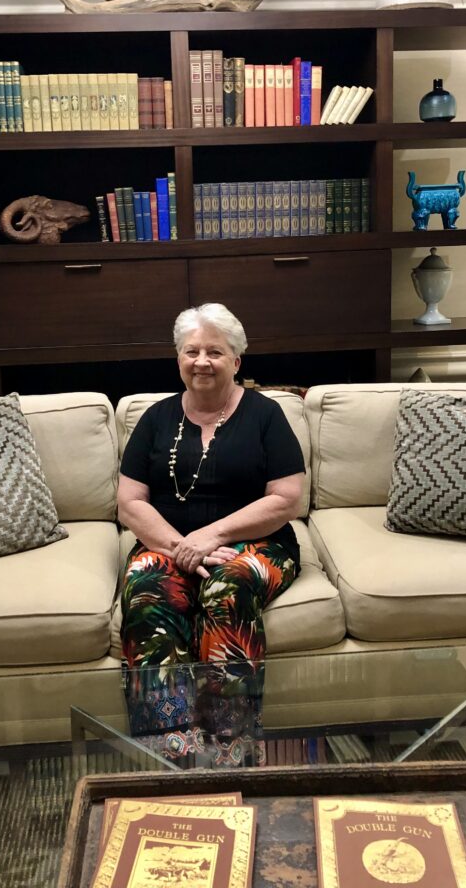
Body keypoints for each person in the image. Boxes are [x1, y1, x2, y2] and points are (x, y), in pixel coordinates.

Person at [118, 302, 305, 766]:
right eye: (191, 351)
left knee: (228, 586)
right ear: (179, 359)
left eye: (215, 352)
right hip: (168, 543)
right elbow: (130, 502)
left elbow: (286, 498)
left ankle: (230, 744)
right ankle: (168, 743)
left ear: (236, 361)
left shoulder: (266, 415)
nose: (202, 361)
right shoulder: (155, 419)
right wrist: (181, 547)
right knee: (147, 588)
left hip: (257, 544)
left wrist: (212, 535)